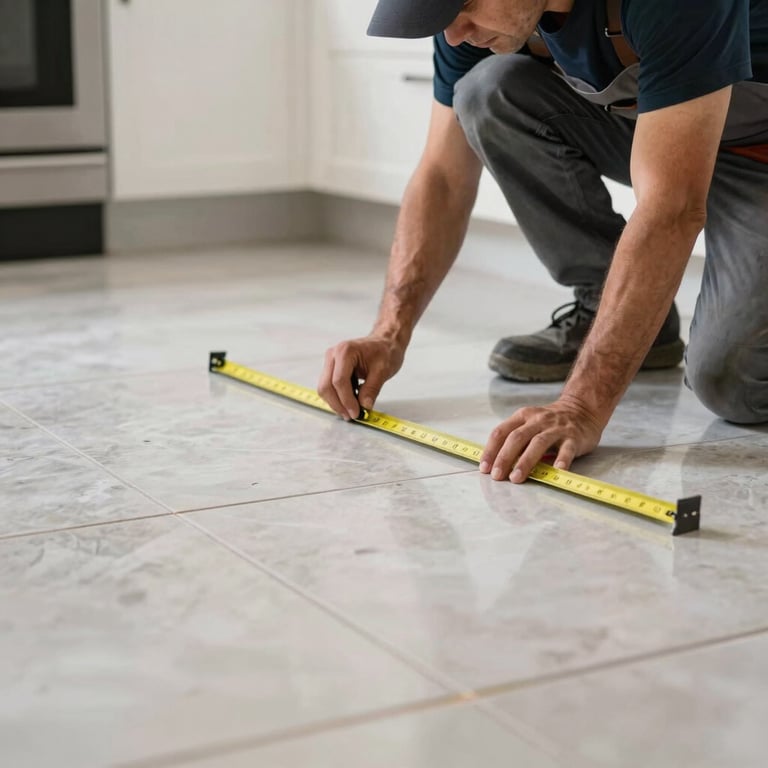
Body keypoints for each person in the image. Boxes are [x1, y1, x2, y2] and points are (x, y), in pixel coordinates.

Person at [318, 0, 768, 484]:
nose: (451, 35)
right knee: (487, 90)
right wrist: (389, 333)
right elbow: (443, 176)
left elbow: (671, 209)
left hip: (756, 159)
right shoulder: (470, 24)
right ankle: (612, 311)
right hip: (666, 130)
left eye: (465, 5)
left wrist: (582, 405)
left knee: (731, 384)